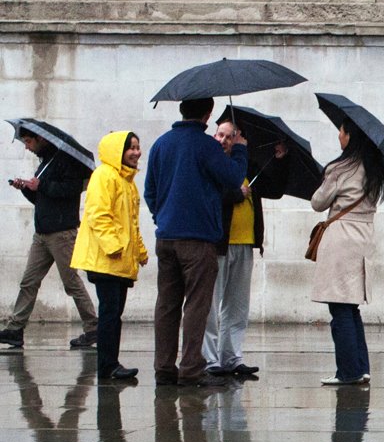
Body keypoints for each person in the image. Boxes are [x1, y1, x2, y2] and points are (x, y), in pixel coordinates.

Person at [143, 97, 247, 386]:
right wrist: (239, 149)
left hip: (166, 237)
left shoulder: (161, 144)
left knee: (166, 304)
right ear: (207, 114)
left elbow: (150, 192)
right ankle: (190, 368)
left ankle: (163, 368)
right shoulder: (207, 146)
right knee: (197, 305)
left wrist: (162, 216)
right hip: (198, 239)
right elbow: (233, 177)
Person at [203, 119, 288, 378]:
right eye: (221, 135)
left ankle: (232, 356)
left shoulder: (247, 165)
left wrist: (280, 160)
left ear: (240, 140)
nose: (224, 140)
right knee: (211, 304)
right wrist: (236, 194)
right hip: (218, 243)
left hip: (244, 243)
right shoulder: (210, 162)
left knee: (237, 305)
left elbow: (274, 189)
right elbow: (208, 195)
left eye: (231, 137)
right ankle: (209, 359)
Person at [0, 131, 99, 349]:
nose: (27, 147)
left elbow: (71, 191)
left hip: (62, 233)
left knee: (71, 283)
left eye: (28, 142)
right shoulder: (46, 162)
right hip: (42, 234)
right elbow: (41, 199)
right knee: (29, 281)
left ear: (40, 139)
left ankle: (93, 329)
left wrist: (41, 186)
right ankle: (15, 329)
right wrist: (26, 188)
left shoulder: (66, 163)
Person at [311, 122, 384, 386]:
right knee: (351, 307)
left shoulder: (341, 168)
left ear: (351, 136)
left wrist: (325, 179)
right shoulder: (375, 169)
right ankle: (360, 367)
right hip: (363, 238)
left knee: (339, 307)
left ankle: (348, 371)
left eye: (342, 131)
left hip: (341, 238)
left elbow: (317, 202)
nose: (339, 136)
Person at [70, 131, 149, 381]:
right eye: (131, 148)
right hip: (106, 260)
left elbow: (131, 224)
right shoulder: (104, 176)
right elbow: (98, 215)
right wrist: (115, 247)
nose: (136, 152)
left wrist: (140, 252)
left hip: (118, 260)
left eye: (137, 147)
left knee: (114, 314)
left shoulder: (127, 181)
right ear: (118, 151)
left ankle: (111, 364)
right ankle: (107, 366)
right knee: (110, 314)